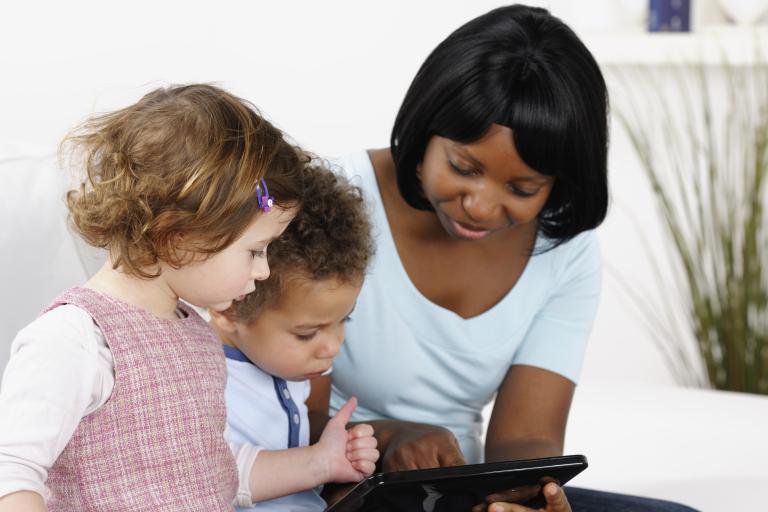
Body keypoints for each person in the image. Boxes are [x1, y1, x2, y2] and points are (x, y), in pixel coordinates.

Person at [306, 5, 698, 512]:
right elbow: (281, 421)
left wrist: (529, 496)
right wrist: (387, 437)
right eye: (463, 168)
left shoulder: (565, 250)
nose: (482, 207)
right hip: (335, 485)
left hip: (463, 492)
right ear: (425, 132)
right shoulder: (334, 205)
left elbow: (526, 438)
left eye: (523, 188)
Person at [0, 84, 305, 511]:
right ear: (181, 235)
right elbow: (10, 470)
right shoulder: (76, 340)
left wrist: (320, 463)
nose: (264, 270)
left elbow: (208, 470)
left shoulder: (197, 336)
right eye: (255, 250)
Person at [208, 163, 378, 511]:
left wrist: (341, 453)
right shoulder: (200, 381)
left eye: (344, 320)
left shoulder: (289, 366)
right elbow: (201, 476)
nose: (332, 347)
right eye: (306, 334)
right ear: (229, 309)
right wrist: (318, 462)